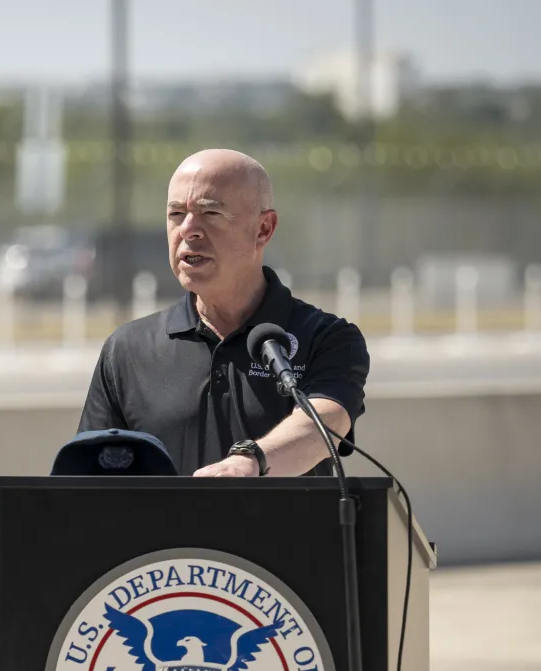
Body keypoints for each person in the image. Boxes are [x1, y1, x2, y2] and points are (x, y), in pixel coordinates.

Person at [78, 149, 369, 477]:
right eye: (176, 214)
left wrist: (249, 464)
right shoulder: (128, 349)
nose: (188, 230)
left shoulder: (326, 338)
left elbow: (322, 427)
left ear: (263, 229)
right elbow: (89, 480)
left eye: (210, 213)